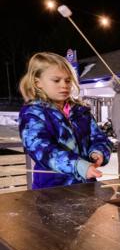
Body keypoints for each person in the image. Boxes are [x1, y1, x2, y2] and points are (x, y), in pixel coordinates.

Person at [18, 52, 112, 189]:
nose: (64, 85)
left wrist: (98, 152)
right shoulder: (33, 113)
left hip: (87, 187)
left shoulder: (81, 111)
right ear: (38, 83)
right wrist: (76, 165)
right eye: (56, 80)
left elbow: (99, 137)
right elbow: (41, 149)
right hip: (52, 190)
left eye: (68, 80)